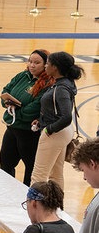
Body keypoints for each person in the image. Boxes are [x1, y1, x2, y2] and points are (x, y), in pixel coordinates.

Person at [31, 51, 84, 190]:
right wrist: (40, 120)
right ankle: (58, 208)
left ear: (55, 67)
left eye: (48, 63)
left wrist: (49, 129)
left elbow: (66, 116)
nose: (46, 66)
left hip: (56, 132)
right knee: (56, 174)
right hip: (62, 131)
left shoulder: (61, 87)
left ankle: (33, 208)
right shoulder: (65, 82)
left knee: (38, 175)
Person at [0, 50, 53, 185]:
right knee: (5, 164)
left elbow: (35, 108)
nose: (32, 65)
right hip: (12, 129)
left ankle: (28, 199)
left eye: (37, 62)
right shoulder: (22, 76)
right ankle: (6, 193)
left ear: (46, 65)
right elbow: (6, 91)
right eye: (30, 62)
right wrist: (6, 103)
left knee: (30, 168)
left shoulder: (48, 83)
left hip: (29, 132)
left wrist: (15, 112)